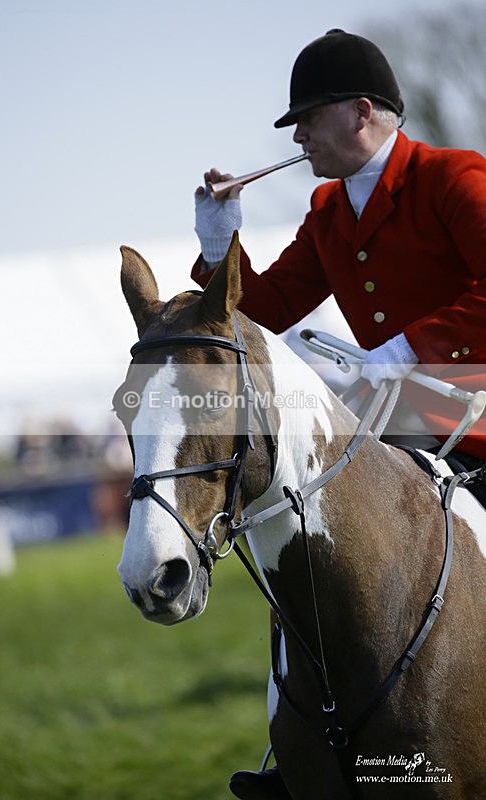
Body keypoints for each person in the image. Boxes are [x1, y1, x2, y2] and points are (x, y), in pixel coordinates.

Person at [190, 28, 486, 800]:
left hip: (480, 421)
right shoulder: (328, 210)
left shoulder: (453, 177)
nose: (296, 136)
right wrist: (221, 243)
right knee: (317, 576)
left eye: (309, 118)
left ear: (362, 112)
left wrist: (404, 352)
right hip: (397, 432)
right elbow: (265, 309)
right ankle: (298, 756)